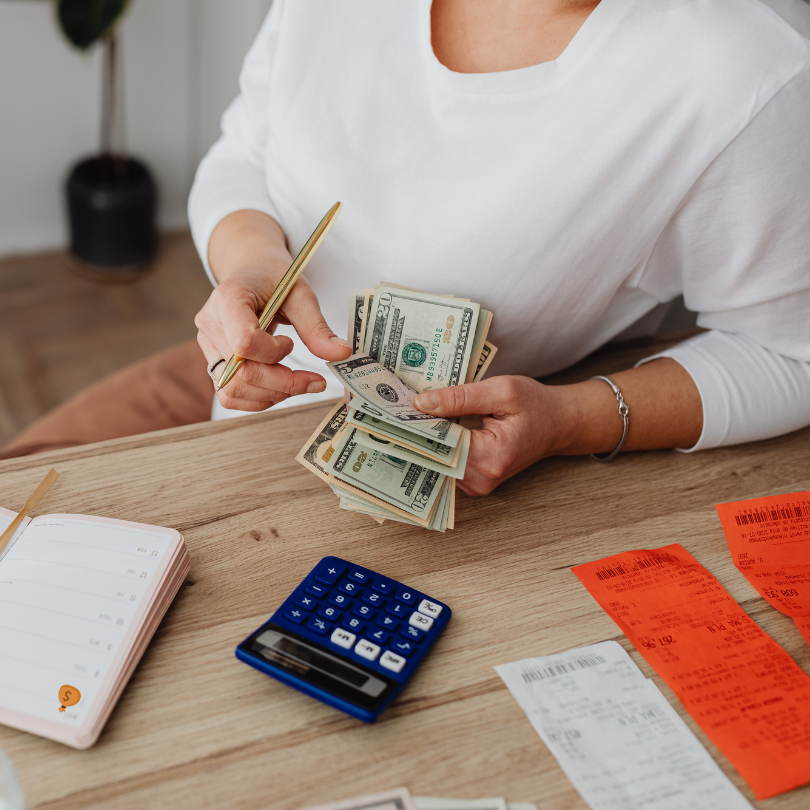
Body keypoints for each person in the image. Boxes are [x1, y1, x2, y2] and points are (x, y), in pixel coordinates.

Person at [4, 0, 810, 498]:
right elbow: (246, 148)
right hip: (235, 390)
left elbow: (793, 356)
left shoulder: (737, 79)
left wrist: (570, 420)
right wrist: (249, 267)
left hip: (435, 491)